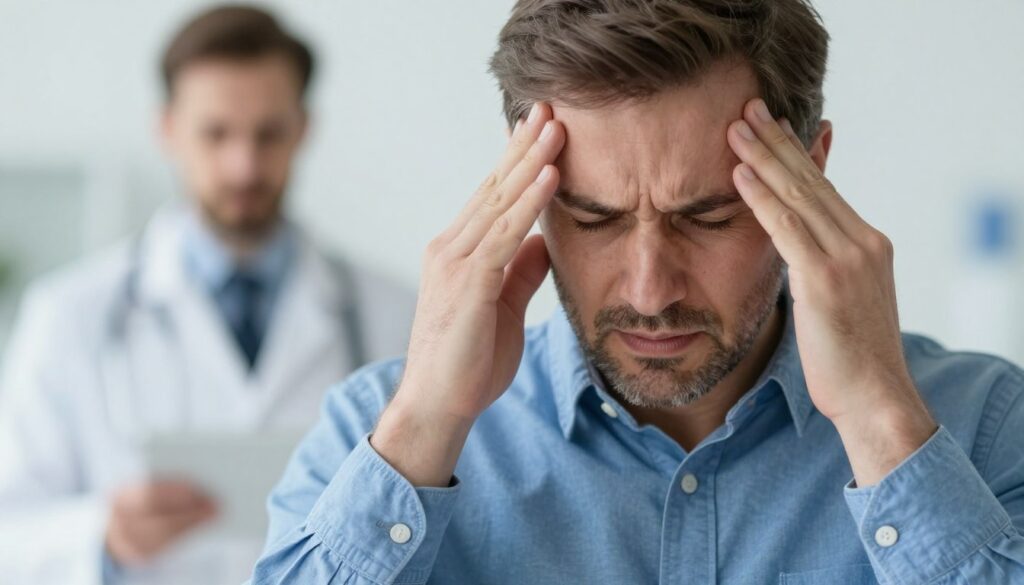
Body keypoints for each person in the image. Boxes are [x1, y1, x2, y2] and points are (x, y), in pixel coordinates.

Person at [252, 0, 1024, 583]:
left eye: (709, 216)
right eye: (594, 218)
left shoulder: (985, 428)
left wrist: (881, 424)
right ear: (520, 186)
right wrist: (424, 426)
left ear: (811, 174)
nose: (651, 290)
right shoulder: (374, 436)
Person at [0, 5, 415, 585]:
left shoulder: (392, 314)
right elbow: (8, 533)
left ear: (302, 128)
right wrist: (101, 534)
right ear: (167, 129)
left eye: (267, 134)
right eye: (216, 133)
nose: (243, 166)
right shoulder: (69, 315)